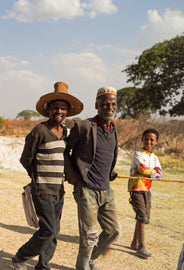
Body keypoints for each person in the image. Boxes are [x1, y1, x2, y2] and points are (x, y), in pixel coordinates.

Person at [12, 82, 83, 270]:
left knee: (55, 231)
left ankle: (43, 265)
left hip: (59, 189)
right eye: (55, 108)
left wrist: (72, 177)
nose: (59, 111)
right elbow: (25, 158)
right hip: (42, 189)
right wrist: (36, 177)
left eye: (63, 108)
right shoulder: (39, 131)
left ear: (67, 111)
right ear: (48, 110)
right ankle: (21, 256)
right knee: (48, 229)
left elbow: (65, 158)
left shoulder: (65, 132)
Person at [64, 86, 122, 270]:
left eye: (112, 104)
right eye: (104, 104)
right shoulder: (84, 126)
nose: (109, 107)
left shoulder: (113, 129)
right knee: (89, 237)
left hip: (106, 189)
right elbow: (65, 150)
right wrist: (72, 176)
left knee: (113, 232)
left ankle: (91, 259)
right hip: (86, 189)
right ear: (97, 105)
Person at [128, 128, 162, 258]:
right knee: (141, 215)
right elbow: (143, 170)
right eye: (146, 139)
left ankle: (134, 242)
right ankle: (142, 246)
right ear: (142, 139)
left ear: (156, 142)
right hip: (137, 187)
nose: (148, 141)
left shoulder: (154, 157)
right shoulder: (138, 154)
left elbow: (160, 173)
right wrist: (153, 173)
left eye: (151, 139)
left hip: (147, 189)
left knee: (144, 216)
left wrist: (153, 173)